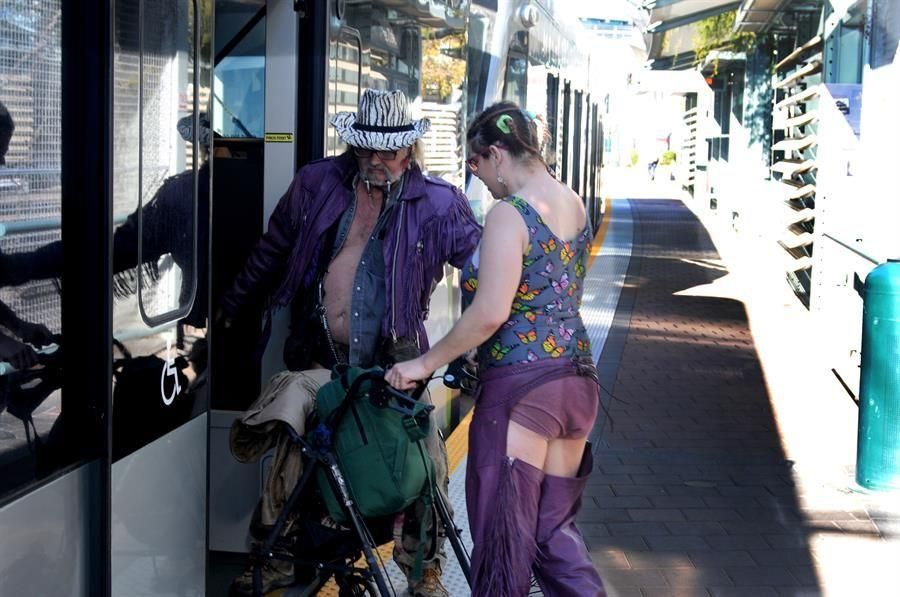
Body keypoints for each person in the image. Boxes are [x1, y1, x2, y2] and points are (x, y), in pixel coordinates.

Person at [219, 88, 481, 596]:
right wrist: (232, 307)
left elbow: (482, 272)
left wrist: (475, 345)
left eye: (388, 152)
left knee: (424, 459)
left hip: (397, 366)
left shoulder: (438, 203)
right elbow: (273, 248)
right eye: (366, 150)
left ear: (409, 150)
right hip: (320, 358)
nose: (377, 161)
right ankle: (273, 559)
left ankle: (424, 572)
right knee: (292, 434)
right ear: (353, 145)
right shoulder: (318, 183)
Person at [386, 101, 606, 596]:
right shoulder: (572, 202)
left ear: (497, 154)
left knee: (504, 545)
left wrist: (422, 363)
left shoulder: (511, 213)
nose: (480, 179)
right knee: (553, 534)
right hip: (577, 383)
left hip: (522, 392)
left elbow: (490, 312)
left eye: (477, 165)